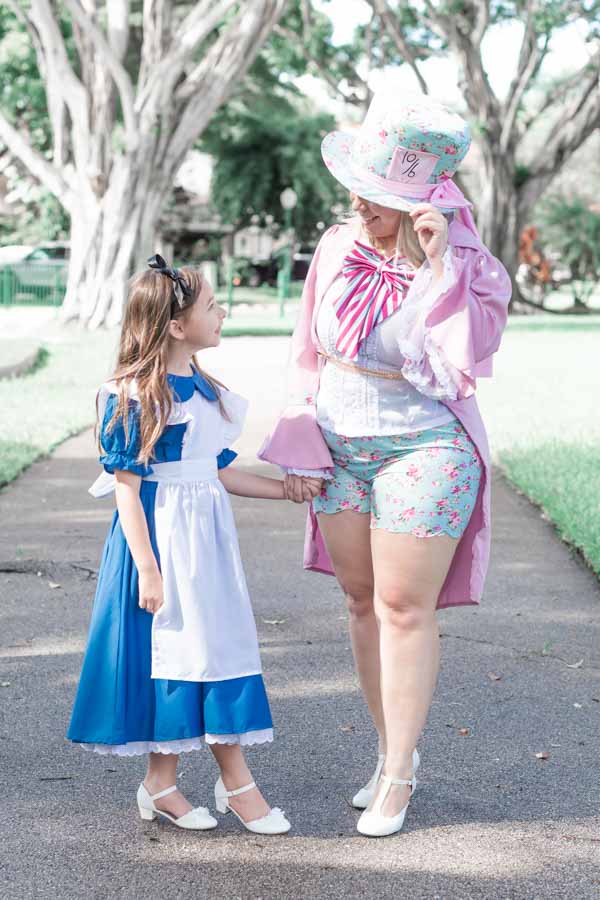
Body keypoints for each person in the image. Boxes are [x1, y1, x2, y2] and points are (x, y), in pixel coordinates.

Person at [259, 93, 512, 837]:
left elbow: (465, 358)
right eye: (358, 189)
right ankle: (388, 748)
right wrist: (299, 426)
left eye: (376, 196)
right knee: (360, 602)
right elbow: (306, 350)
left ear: (421, 202)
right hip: (340, 447)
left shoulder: (469, 265)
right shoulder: (337, 246)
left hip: (427, 447)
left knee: (404, 607)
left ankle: (400, 771)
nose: (359, 204)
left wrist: (439, 266)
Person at [67, 255, 314, 835]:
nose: (221, 312)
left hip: (207, 544)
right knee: (176, 651)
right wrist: (148, 569)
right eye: (211, 306)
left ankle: (162, 783)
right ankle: (229, 784)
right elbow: (127, 489)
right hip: (160, 540)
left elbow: (219, 470)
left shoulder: (206, 391)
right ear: (177, 326)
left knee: (213, 646)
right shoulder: (131, 394)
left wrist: (287, 489)